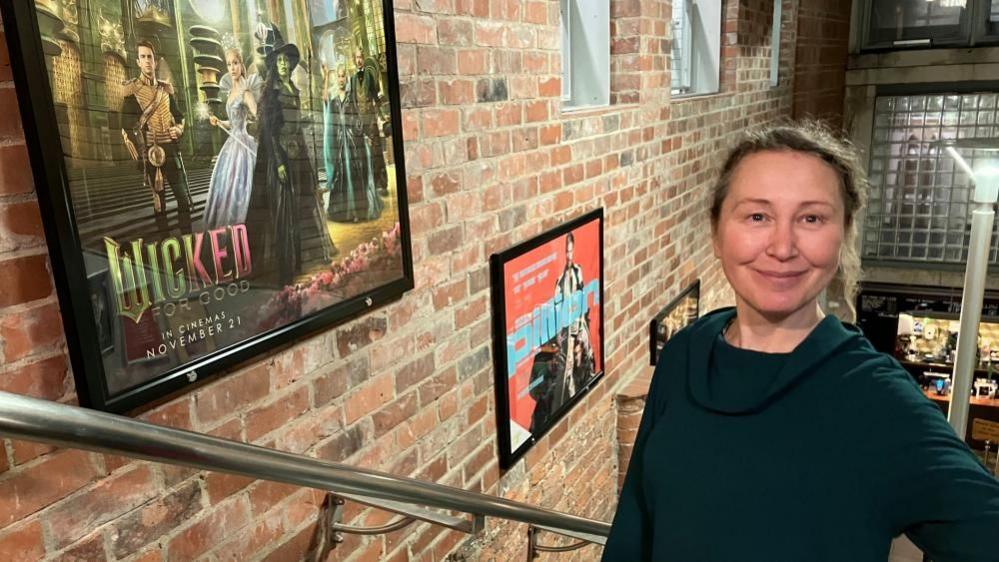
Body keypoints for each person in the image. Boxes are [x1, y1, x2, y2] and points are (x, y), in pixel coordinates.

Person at [602, 122, 999, 561]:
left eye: (811, 218)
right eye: (757, 216)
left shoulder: (873, 398)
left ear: (843, 234)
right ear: (717, 232)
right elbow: (635, 529)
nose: (783, 246)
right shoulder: (686, 352)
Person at [246, 38, 336, 287]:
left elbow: (292, 120)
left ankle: (302, 259)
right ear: (274, 63)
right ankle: (287, 265)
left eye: (287, 60)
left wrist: (305, 121)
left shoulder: (292, 88)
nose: (284, 64)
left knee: (302, 206)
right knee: (285, 210)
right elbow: (270, 132)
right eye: (279, 60)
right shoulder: (270, 92)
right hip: (283, 157)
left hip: (300, 155)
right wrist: (278, 163)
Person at [119, 40, 192, 235]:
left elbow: (180, 117)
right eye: (143, 57)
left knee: (183, 199)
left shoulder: (165, 90)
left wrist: (178, 129)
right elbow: (125, 126)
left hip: (170, 149)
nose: (147, 61)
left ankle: (188, 240)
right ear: (138, 62)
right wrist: (142, 137)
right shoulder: (132, 91)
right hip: (151, 154)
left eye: (149, 57)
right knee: (160, 204)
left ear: (155, 61)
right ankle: (165, 244)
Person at [203, 48, 260, 230]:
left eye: (235, 63)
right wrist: (220, 121)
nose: (232, 68)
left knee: (241, 184)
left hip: (243, 142)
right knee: (225, 183)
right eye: (229, 64)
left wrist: (255, 120)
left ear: (241, 65)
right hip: (232, 142)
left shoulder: (245, 90)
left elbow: (257, 113)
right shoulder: (231, 91)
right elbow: (233, 122)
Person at [322, 63, 383, 222]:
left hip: (353, 143)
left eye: (343, 76)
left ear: (346, 78)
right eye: (339, 76)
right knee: (342, 175)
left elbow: (358, 119)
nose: (341, 79)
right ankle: (345, 212)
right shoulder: (334, 101)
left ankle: (358, 212)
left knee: (356, 175)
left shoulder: (352, 98)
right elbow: (325, 102)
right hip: (341, 143)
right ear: (336, 79)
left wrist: (363, 135)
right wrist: (326, 77)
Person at [349, 48, 389, 197]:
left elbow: (376, 98)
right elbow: (353, 102)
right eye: (357, 57)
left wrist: (382, 115)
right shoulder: (352, 79)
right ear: (354, 60)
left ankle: (382, 185)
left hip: (371, 120)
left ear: (363, 58)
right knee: (364, 155)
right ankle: (370, 187)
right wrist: (354, 121)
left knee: (376, 152)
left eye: (361, 57)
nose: (359, 60)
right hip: (360, 123)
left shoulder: (370, 76)